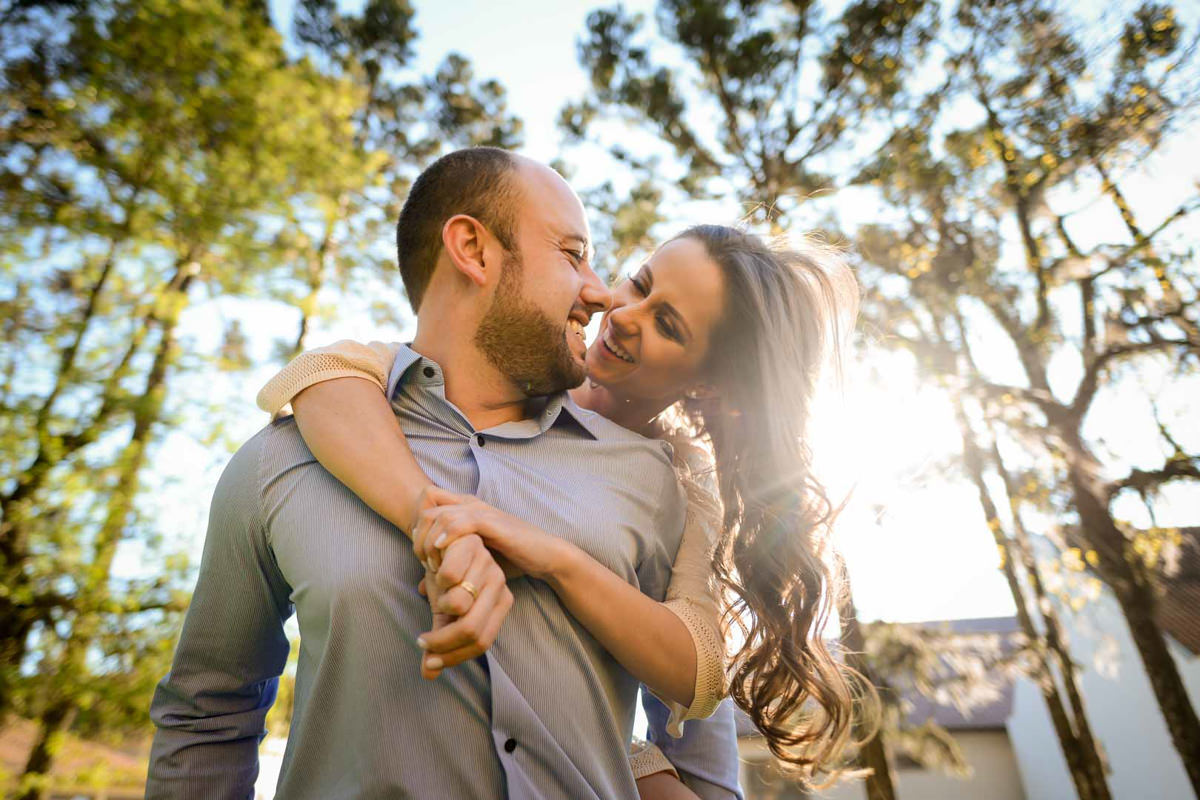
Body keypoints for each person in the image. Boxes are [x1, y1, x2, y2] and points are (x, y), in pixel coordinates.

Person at [146, 147, 742, 799]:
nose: (605, 298)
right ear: (472, 249)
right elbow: (206, 717)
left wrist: (628, 761)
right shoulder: (285, 456)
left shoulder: (662, 486)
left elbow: (697, 709)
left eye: (669, 323)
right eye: (574, 254)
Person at [258, 222, 878, 787]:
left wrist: (558, 561)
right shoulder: (518, 369)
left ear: (707, 382)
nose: (625, 312)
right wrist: (434, 521)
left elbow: (697, 672)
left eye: (668, 325)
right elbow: (323, 369)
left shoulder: (684, 483)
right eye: (638, 283)